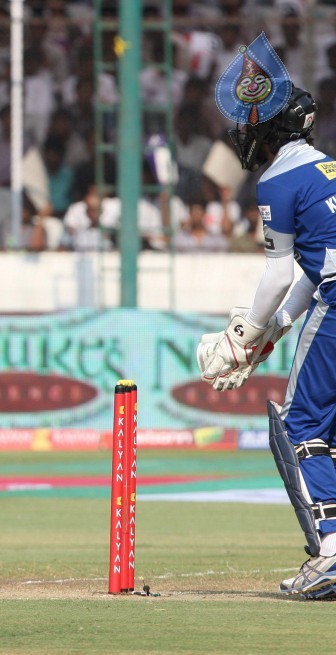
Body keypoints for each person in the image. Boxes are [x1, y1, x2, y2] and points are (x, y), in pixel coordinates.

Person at [196, 34, 336, 600]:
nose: (243, 136)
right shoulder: (328, 167)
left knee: (302, 425)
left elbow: (281, 271)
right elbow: (314, 262)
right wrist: (275, 328)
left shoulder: (277, 180)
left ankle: (330, 553)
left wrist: (242, 335)